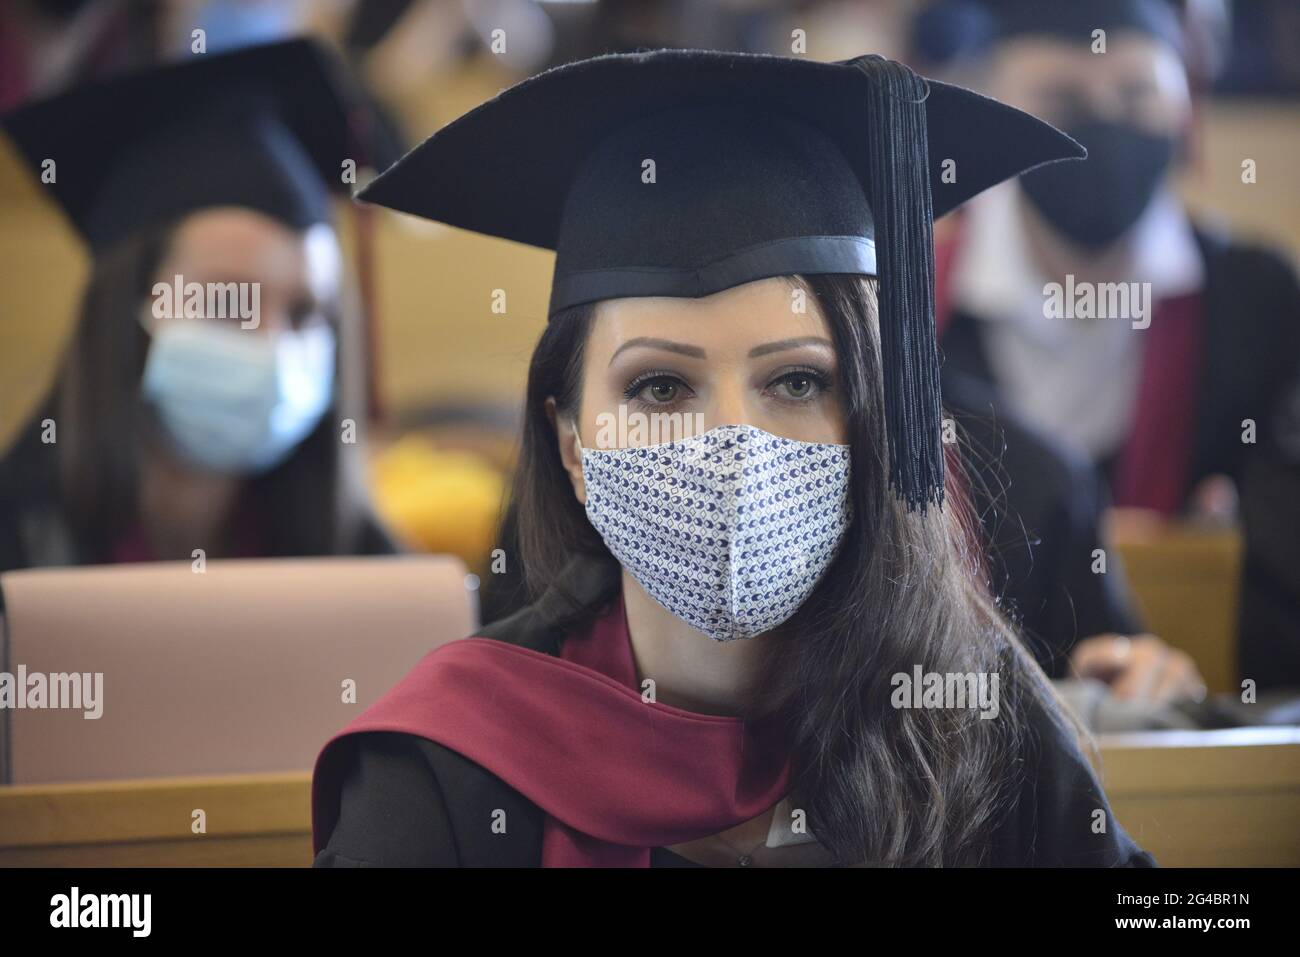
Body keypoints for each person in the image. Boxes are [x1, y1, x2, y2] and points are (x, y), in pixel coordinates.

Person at [311, 48, 1155, 866]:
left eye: (794, 380)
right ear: (572, 442)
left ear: (874, 417)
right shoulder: (447, 765)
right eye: (659, 388)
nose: (733, 444)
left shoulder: (975, 721)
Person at [931, 0, 1300, 689]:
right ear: (993, 116)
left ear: (1185, 110)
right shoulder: (913, 307)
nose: (1103, 123)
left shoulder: (1260, 303)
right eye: (1059, 99)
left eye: (1137, 95)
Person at [0, 38, 399, 570]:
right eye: (228, 303)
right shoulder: (18, 551)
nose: (273, 347)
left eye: (305, 314)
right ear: (124, 313)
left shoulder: (376, 575)